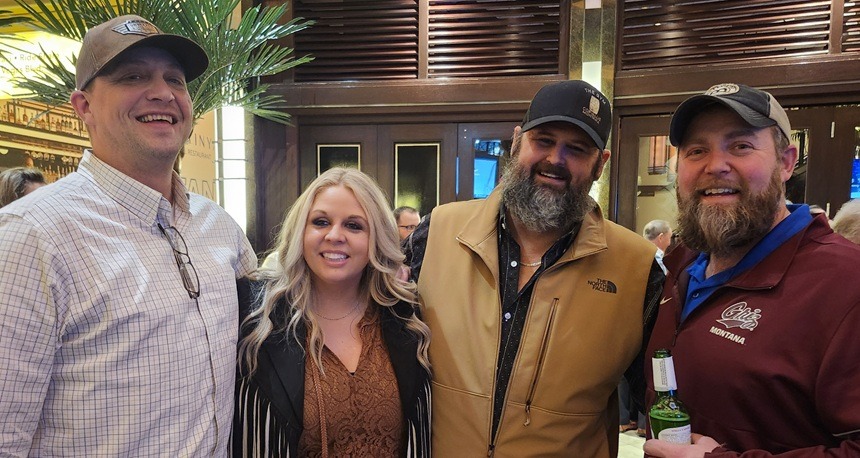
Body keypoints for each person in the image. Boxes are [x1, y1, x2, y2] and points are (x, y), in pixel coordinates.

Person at [0, 15, 256, 456]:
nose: (163, 92)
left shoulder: (219, 227)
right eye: (133, 77)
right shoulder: (32, 237)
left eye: (175, 79)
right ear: (83, 106)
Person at [404, 79, 664, 456]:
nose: (556, 159)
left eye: (577, 149)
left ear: (600, 165)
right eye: (543, 140)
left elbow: (663, 401)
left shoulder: (638, 268)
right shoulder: (437, 233)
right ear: (516, 142)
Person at [644, 83, 860, 457]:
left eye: (741, 146)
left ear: (786, 162)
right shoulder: (683, 263)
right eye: (697, 151)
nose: (715, 165)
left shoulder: (846, 284)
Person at [234, 168, 431, 457]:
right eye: (321, 222)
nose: (335, 235)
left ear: (376, 238)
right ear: (301, 231)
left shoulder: (407, 317)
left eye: (354, 225)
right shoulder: (256, 320)